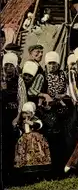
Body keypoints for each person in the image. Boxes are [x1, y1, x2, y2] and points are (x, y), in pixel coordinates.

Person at [41, 51, 73, 176]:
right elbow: (40, 92)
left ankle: (64, 168)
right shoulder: (43, 75)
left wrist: (62, 96)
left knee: (64, 140)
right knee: (52, 140)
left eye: (54, 63)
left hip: (63, 110)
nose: (52, 66)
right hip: (48, 111)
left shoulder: (63, 74)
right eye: (50, 63)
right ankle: (52, 170)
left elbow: (68, 89)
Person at [1, 53, 27, 184]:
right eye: (6, 65)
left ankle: (12, 176)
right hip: (1, 115)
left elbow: (22, 100)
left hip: (12, 116)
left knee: (11, 145)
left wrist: (17, 118)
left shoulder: (19, 80)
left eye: (11, 65)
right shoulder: (1, 79)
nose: (8, 68)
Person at [13, 102, 52, 181]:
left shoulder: (35, 119)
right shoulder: (22, 121)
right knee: (26, 156)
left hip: (35, 141)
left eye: (27, 113)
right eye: (24, 113)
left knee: (37, 155)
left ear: (31, 113)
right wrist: (19, 116)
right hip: (25, 141)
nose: (25, 115)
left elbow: (39, 125)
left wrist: (30, 123)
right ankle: (29, 176)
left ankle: (40, 175)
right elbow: (15, 124)